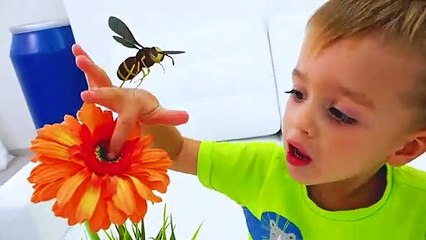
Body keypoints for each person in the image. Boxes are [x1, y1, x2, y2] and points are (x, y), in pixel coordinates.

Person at [72, 0, 426, 239]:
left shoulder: (417, 211)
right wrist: (146, 119)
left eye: (339, 113)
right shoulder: (260, 169)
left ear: (406, 146)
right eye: (298, 93)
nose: (299, 121)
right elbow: (177, 151)